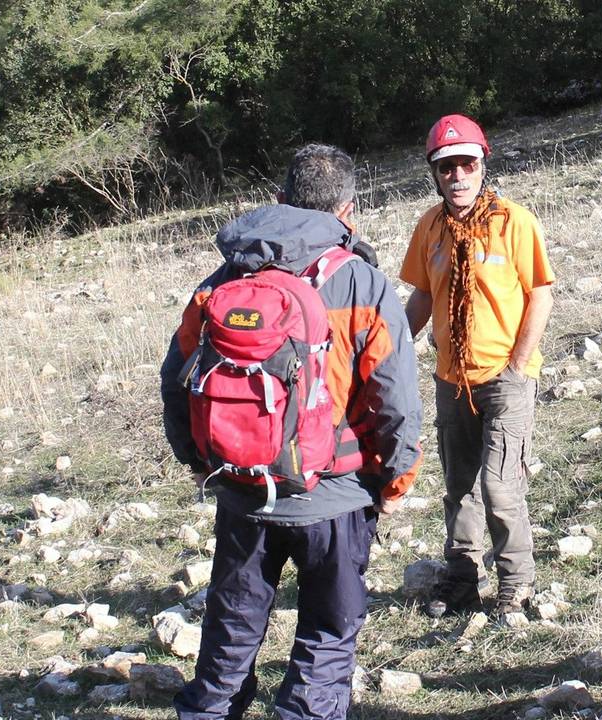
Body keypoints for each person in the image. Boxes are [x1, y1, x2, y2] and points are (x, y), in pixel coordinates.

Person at [160, 143, 422, 720]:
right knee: (327, 639)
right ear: (348, 211)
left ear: (280, 200)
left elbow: (177, 379)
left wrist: (205, 461)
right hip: (336, 495)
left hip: (243, 489)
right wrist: (390, 484)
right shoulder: (363, 283)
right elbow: (396, 403)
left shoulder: (224, 279)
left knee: (229, 635)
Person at [400, 114, 555, 619]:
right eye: (447, 168)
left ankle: (517, 582)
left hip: (506, 379)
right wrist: (395, 346)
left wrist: (516, 363)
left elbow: (540, 294)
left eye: (466, 164)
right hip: (452, 378)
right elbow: (423, 294)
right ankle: (462, 579)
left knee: (500, 486)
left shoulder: (514, 221)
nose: (458, 176)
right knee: (458, 485)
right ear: (435, 173)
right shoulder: (429, 227)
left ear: (482, 164)